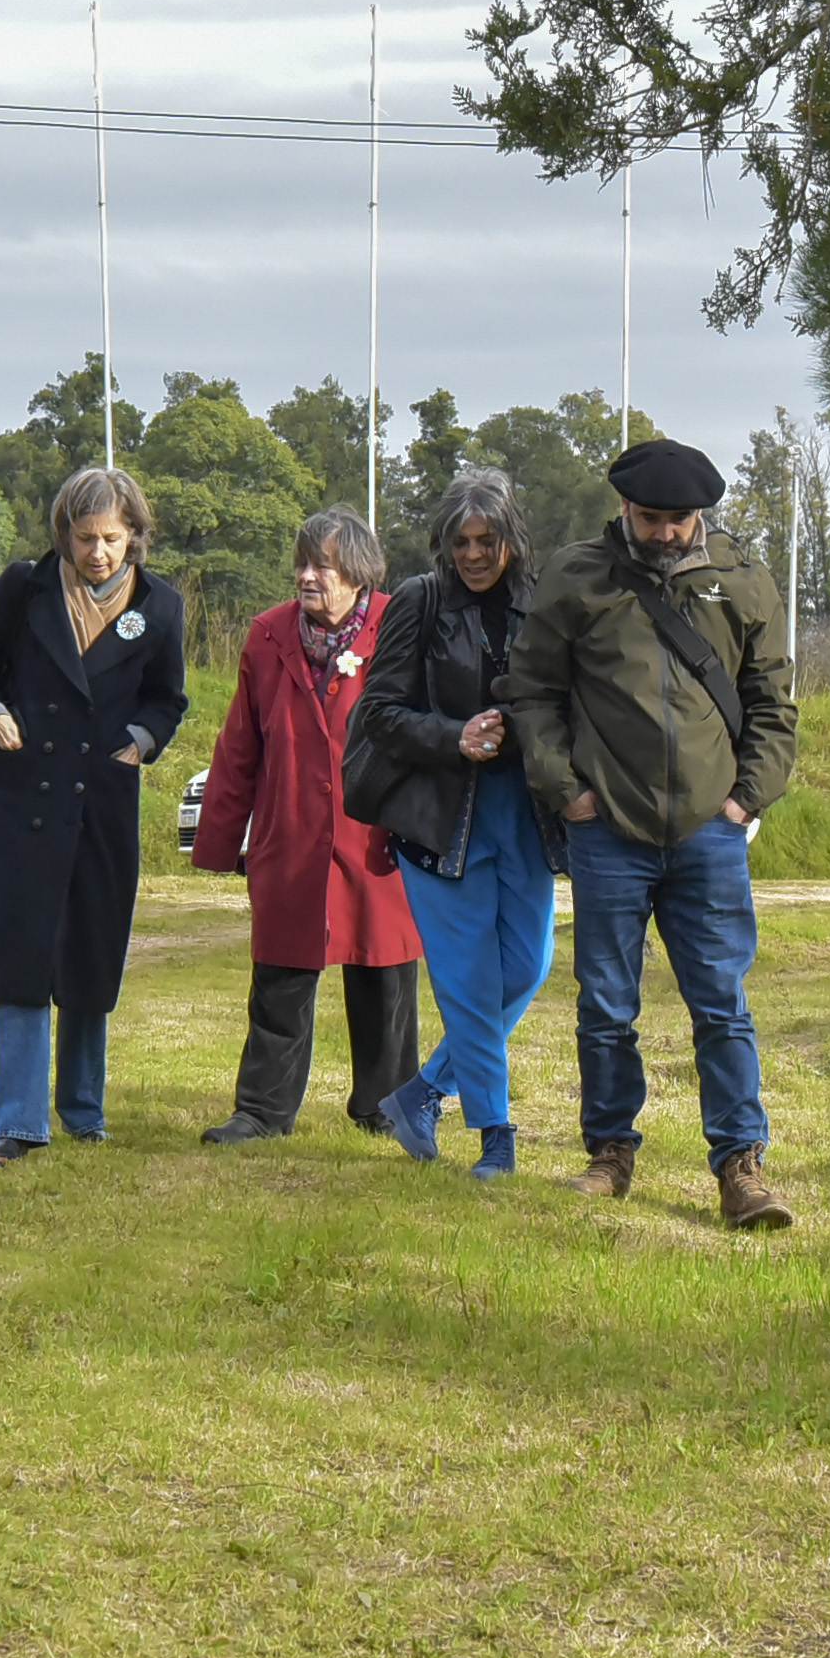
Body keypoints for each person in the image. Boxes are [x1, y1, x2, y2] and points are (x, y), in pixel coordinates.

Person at [509, 437, 800, 1226]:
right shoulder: (577, 578)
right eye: (650, 518)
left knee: (723, 1006)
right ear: (624, 508)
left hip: (711, 832)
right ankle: (610, 1154)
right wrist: (568, 793)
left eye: (679, 520)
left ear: (700, 514)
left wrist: (744, 802)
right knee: (606, 1006)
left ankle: (741, 1168)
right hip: (607, 830)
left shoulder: (744, 580)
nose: (665, 533)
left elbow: (773, 706)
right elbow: (531, 694)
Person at [0, 466, 190, 1165]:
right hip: (24, 800)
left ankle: (84, 1112)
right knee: (21, 962)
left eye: (111, 538)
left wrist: (138, 742)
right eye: (85, 538)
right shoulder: (24, 588)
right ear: (65, 534)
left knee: (89, 957)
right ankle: (18, 1122)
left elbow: (167, 700)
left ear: (134, 535)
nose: (98, 553)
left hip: (102, 804)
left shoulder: (161, 607)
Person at [189, 506, 422, 1145]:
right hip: (290, 835)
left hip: (377, 837)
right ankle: (261, 1112)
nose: (306, 576)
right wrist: (219, 840)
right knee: (280, 978)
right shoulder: (267, 635)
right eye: (302, 564)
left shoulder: (399, 625)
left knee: (385, 974)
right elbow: (239, 746)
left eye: (322, 565)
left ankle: (388, 1106)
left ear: (359, 572)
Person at [352, 470, 560, 1180]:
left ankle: (422, 1091)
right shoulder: (420, 600)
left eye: (486, 540)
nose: (472, 554)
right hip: (439, 819)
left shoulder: (542, 600)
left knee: (527, 967)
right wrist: (454, 736)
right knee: (470, 982)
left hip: (525, 813)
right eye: (459, 541)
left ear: (512, 539)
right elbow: (378, 713)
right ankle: (496, 1134)